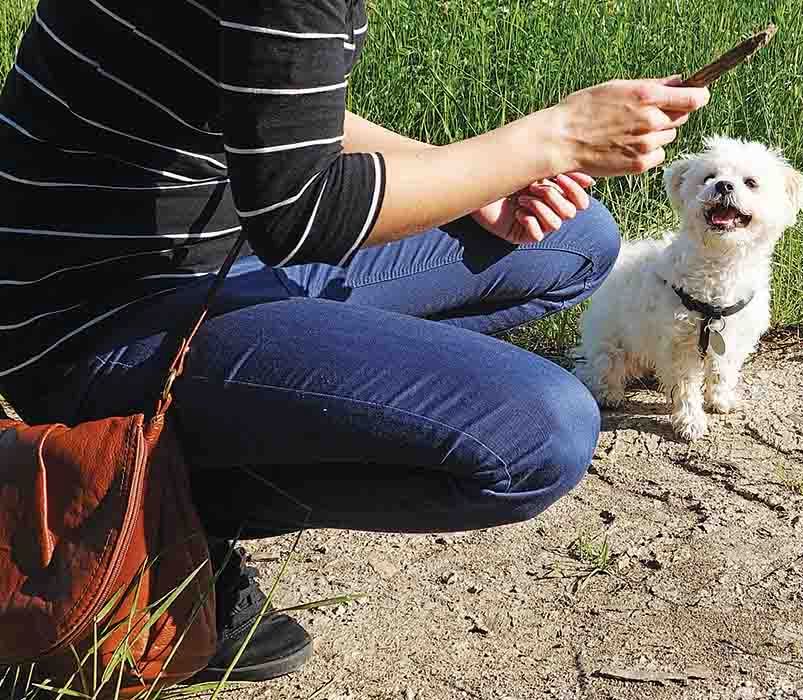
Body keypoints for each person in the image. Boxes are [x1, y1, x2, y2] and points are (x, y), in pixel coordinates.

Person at [0, 0, 710, 684]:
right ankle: (154, 523)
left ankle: (265, 402)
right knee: (536, 434)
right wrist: (553, 138)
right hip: (92, 318)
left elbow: (277, 113)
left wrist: (477, 180)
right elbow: (300, 216)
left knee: (572, 242)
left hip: (217, 254)